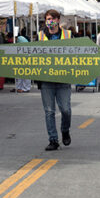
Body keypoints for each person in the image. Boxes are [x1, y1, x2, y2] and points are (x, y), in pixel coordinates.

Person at [37, 9, 72, 151]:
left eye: (51, 18)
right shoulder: (40, 36)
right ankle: (53, 140)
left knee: (66, 110)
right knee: (49, 111)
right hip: (46, 80)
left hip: (63, 79)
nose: (49, 21)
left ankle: (65, 130)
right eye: (47, 19)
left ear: (58, 20)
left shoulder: (67, 35)